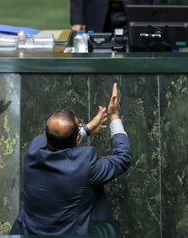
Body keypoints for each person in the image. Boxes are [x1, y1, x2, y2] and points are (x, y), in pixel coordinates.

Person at [10, 83, 130, 235]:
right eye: (79, 123)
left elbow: (57, 140)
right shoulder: (85, 164)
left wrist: (86, 129)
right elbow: (122, 158)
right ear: (77, 137)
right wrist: (114, 117)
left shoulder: (34, 150)